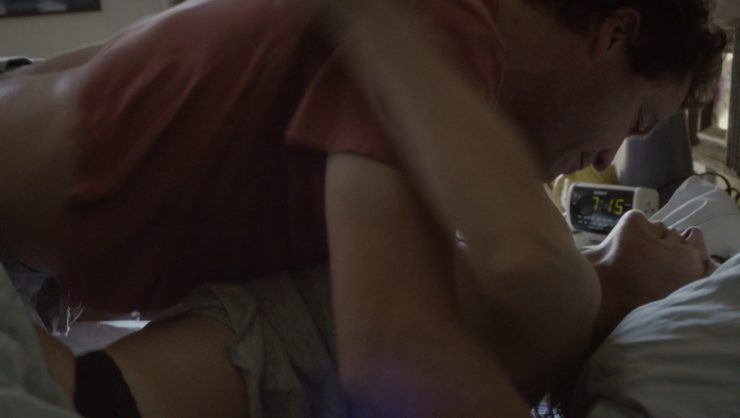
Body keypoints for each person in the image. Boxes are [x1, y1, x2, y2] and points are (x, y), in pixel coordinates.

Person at [0, 0, 725, 416]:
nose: (604, 156)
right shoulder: (446, 27)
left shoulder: (439, 86)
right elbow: (393, 351)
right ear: (615, 33)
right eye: (634, 122)